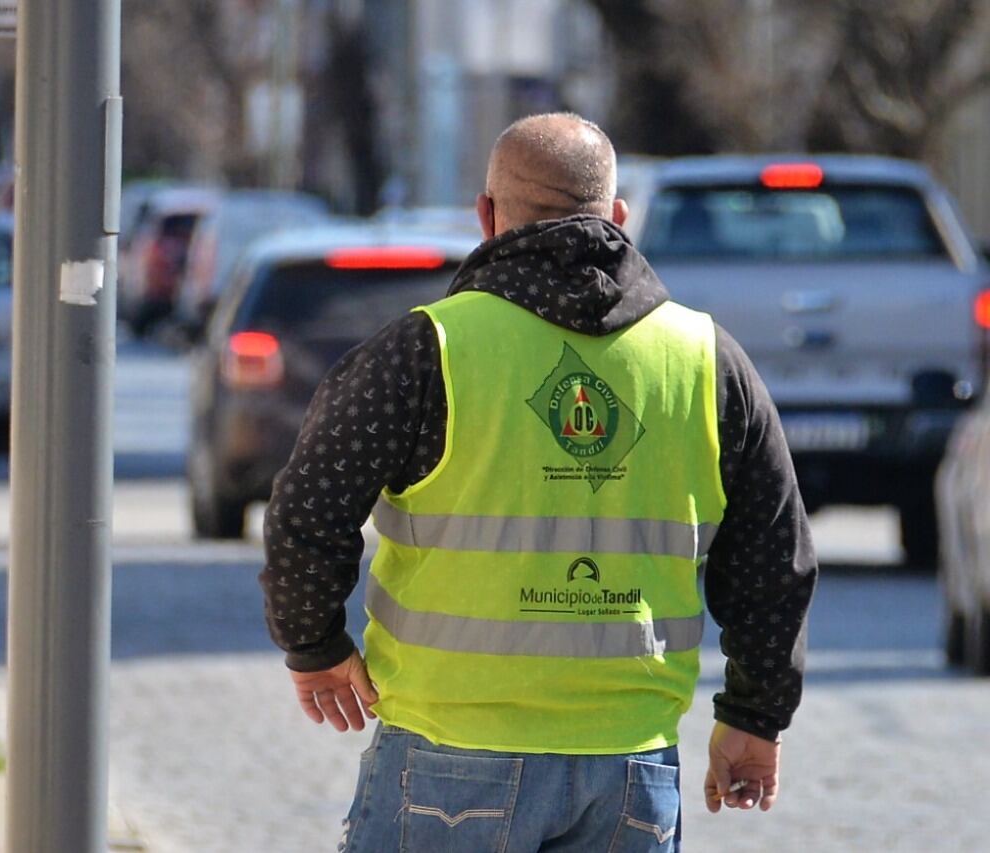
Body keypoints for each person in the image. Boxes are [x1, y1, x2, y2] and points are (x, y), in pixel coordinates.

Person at [260, 113, 817, 852]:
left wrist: (315, 645)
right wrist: (754, 716)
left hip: (447, 751)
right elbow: (775, 558)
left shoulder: (427, 351)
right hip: (629, 767)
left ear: (486, 216)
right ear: (618, 218)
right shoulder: (706, 360)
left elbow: (309, 508)